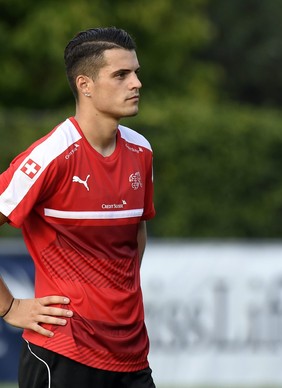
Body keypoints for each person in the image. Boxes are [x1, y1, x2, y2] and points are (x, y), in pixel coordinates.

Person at [0, 27, 156, 387]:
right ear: (85, 85)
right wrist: (9, 307)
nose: (136, 83)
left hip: (132, 356)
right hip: (63, 354)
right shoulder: (50, 156)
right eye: (121, 75)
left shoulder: (141, 151)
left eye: (136, 72)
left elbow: (136, 233)